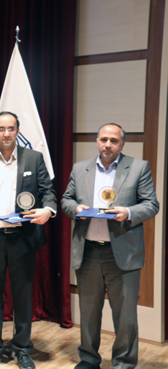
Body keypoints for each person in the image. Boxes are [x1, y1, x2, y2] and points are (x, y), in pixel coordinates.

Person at [61, 123, 159, 369]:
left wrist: (127, 212)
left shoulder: (138, 167)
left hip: (123, 253)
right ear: (97, 141)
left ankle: (124, 362)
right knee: (88, 311)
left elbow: (151, 204)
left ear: (122, 144)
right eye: (104, 139)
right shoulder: (80, 168)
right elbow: (66, 200)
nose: (108, 145)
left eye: (114, 141)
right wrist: (76, 209)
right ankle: (88, 359)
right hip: (88, 251)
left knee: (125, 315)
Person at [0, 112, 57, 369]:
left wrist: (48, 210)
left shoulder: (34, 158)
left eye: (10, 128)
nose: (6, 133)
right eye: (1, 129)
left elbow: (48, 192)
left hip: (22, 238)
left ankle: (22, 349)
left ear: (18, 131)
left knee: (22, 295)